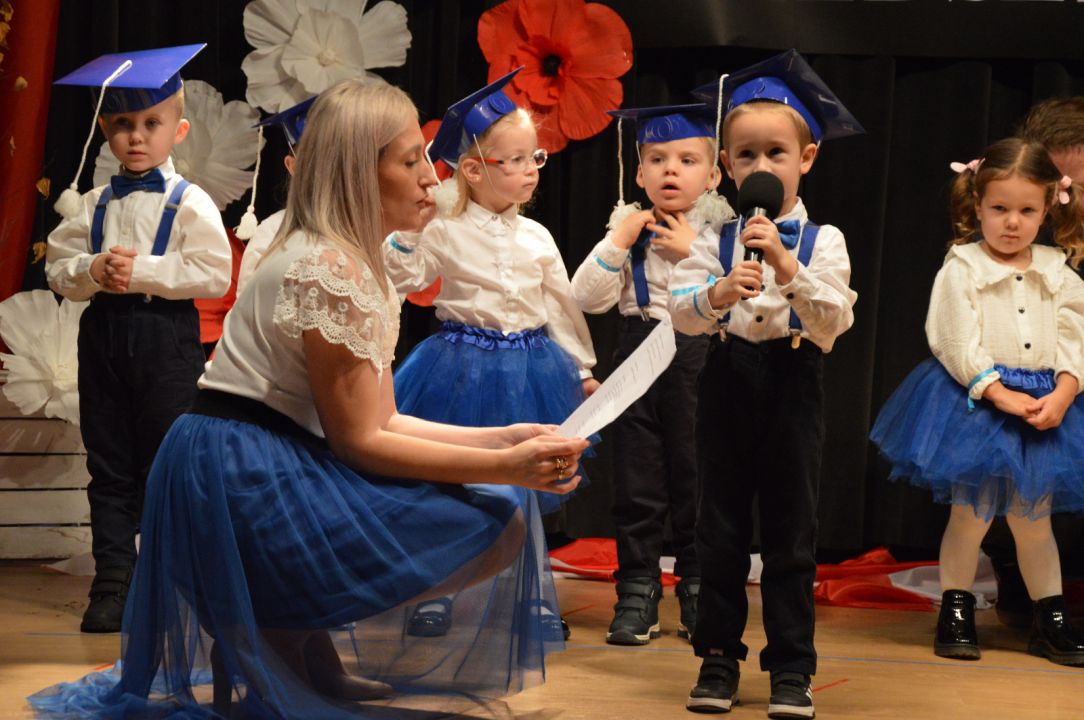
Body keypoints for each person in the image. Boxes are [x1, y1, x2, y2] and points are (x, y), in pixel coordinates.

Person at [30, 78, 590, 719]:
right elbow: (361, 441)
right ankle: (281, 634)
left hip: (265, 447)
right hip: (238, 464)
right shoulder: (330, 268)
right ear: (359, 172)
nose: (430, 179)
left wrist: (505, 439)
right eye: (411, 160)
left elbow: (384, 417)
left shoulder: (352, 259)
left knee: (493, 507)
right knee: (493, 521)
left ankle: (298, 647)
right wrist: (507, 467)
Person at [669, 49, 862, 717]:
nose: (761, 166)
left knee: (790, 533)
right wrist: (719, 292)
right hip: (727, 379)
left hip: (793, 379)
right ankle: (718, 658)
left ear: (806, 158)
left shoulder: (824, 240)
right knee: (718, 530)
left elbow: (834, 322)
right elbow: (681, 313)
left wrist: (786, 264)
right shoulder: (713, 237)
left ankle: (791, 668)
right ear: (726, 165)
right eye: (746, 155)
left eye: (776, 153)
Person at [382, 70, 598, 639]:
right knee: (454, 484)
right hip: (462, 367)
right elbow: (406, 277)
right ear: (474, 170)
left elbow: (559, 306)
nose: (531, 170)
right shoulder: (445, 229)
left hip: (531, 366)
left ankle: (533, 592)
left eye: (535, 158)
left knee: (530, 482)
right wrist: (408, 233)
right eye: (517, 160)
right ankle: (439, 588)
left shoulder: (537, 236)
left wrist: (580, 369)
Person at [870, 137, 1084, 667]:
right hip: (979, 405)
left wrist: (1065, 390)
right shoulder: (963, 266)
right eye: (999, 208)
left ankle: (1050, 618)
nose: (1012, 222)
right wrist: (998, 392)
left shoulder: (1058, 270)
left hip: (1044, 405)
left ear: (1047, 208)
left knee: (1033, 521)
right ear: (978, 205)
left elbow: (1075, 335)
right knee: (970, 516)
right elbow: (952, 337)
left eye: (1026, 210)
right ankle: (956, 608)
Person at [46, 44, 232, 634]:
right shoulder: (94, 203)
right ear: (105, 129)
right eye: (123, 123)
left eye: (151, 123)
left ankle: (165, 581)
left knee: (164, 462)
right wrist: (92, 269)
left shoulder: (189, 201)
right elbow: (57, 268)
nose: (136, 136)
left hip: (164, 338)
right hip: (103, 337)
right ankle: (112, 582)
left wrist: (143, 272)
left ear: (178, 130)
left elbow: (215, 272)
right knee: (109, 463)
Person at [570, 103, 732, 646]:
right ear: (639, 174)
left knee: (697, 479)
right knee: (637, 479)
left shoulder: (723, 234)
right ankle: (638, 589)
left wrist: (695, 252)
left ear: (713, 175)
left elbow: (744, 304)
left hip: (700, 358)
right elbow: (585, 298)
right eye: (657, 160)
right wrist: (618, 241)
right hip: (638, 355)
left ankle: (697, 586)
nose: (671, 171)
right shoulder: (629, 231)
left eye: (687, 160)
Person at [982, 96, 1084, 629]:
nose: (1069, 200)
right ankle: (1017, 575)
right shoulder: (1013, 235)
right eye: (1061, 188)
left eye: (1079, 188)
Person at [235, 96, 315, 296]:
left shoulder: (366, 223)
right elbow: (247, 304)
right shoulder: (272, 233)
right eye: (314, 159)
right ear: (292, 166)